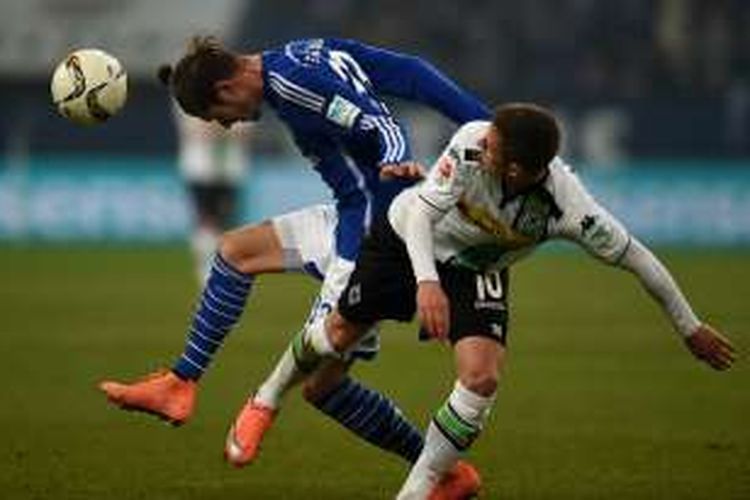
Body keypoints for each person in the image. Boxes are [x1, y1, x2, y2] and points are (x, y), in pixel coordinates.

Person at [266, 103, 736, 499]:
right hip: (407, 234)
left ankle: (419, 489)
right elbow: (423, 218)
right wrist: (427, 284)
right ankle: (266, 397)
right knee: (337, 335)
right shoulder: (471, 141)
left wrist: (689, 327)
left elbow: (636, 258)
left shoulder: (569, 210)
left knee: (481, 377)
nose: (481, 140)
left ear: (514, 168)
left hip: (476, 268)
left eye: (493, 143)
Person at [98, 36, 491, 497]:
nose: (224, 126)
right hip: (352, 214)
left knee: (322, 382)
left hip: (373, 234)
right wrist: (485, 122)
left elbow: (381, 125)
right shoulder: (300, 55)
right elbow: (408, 70)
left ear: (226, 88)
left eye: (215, 117)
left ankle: (440, 473)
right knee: (234, 253)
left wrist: (396, 159)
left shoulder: (297, 82)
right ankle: (181, 382)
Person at [173, 102, 251, 284]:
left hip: (231, 170)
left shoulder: (237, 92)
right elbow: (195, 130)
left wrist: (219, 127)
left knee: (225, 223)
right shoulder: (187, 88)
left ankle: (223, 269)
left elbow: (244, 132)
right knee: (205, 219)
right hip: (200, 168)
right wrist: (225, 126)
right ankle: (205, 270)